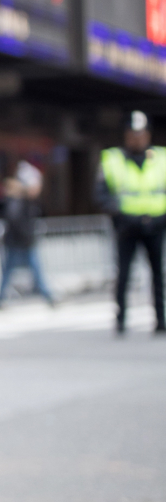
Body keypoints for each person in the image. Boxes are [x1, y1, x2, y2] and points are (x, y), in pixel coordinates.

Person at [95, 111, 166, 335]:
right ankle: (121, 319)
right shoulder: (111, 159)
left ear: (147, 135)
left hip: (156, 224)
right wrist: (118, 214)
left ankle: (160, 320)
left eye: (141, 134)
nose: (137, 139)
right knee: (124, 273)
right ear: (126, 135)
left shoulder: (162, 158)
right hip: (126, 225)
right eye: (132, 134)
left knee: (158, 274)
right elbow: (101, 193)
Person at [0, 161, 54, 307]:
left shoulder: (25, 200)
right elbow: (15, 220)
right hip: (19, 242)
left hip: (21, 241)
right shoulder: (18, 201)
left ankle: (46, 295)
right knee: (16, 270)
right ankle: (46, 295)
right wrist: (26, 235)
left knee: (17, 270)